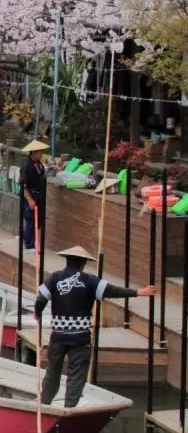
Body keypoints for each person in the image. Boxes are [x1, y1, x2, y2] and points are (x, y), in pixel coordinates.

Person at [33, 246, 155, 407]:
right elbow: (113, 291)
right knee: (76, 374)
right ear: (83, 263)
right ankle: (69, 407)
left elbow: (41, 299)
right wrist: (139, 292)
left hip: (58, 336)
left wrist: (37, 314)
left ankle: (44, 402)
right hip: (80, 337)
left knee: (52, 371)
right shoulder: (90, 280)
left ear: (67, 260)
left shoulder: (55, 278)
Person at [20, 139, 48, 251]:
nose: (41, 154)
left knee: (38, 221)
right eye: (39, 152)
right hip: (30, 196)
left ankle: (33, 242)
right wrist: (30, 200)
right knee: (30, 221)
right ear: (34, 152)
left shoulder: (39, 164)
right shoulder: (27, 166)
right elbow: (24, 186)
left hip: (39, 196)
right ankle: (28, 244)